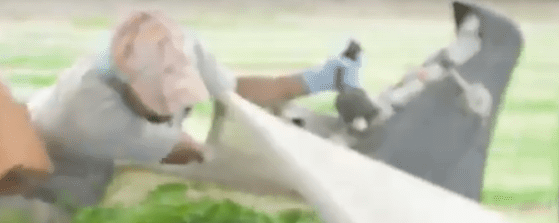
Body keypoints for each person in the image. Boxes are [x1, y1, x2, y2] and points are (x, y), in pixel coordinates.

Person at [27, 10, 363, 169]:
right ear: (128, 83)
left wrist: (314, 80)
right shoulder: (92, 117)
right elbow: (191, 153)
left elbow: (233, 90)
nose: (175, 111)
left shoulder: (178, 47)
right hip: (55, 160)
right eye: (159, 104)